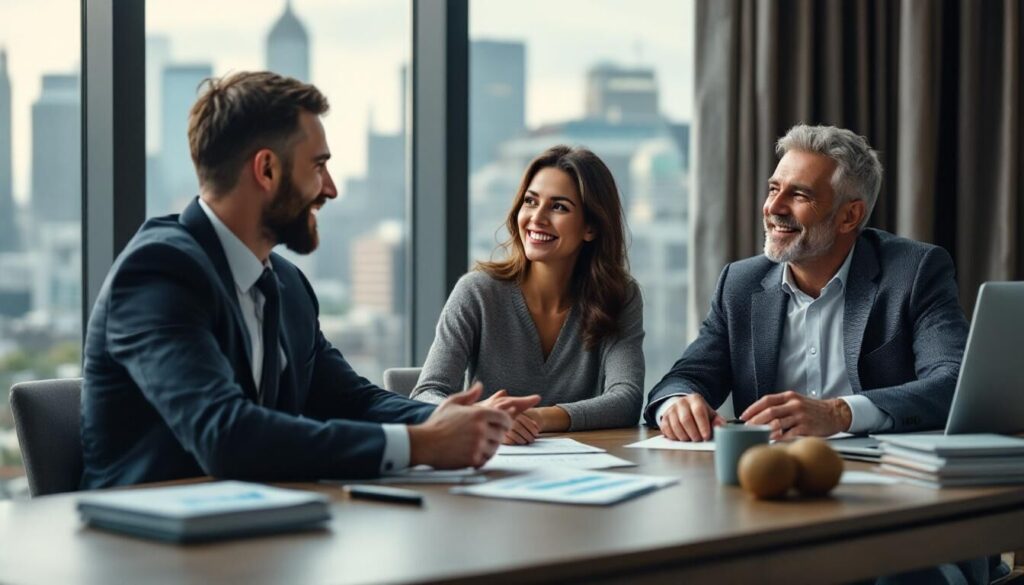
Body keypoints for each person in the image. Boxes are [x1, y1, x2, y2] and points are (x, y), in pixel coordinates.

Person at [79, 71, 538, 490]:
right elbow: (226, 434)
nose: (331, 188)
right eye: (318, 165)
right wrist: (421, 444)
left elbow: (350, 400)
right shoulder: (159, 272)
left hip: (257, 532)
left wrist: (455, 419)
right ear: (267, 169)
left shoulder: (286, 284)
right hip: (145, 553)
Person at [646, 124, 969, 442]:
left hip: (884, 473)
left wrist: (839, 413)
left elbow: (953, 381)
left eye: (799, 194)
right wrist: (677, 405)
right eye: (774, 189)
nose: (773, 207)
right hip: (769, 474)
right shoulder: (741, 283)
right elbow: (686, 378)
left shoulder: (912, 272)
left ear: (849, 217)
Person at [410, 145, 644, 444]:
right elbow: (425, 394)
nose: (537, 218)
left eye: (559, 207)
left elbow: (626, 399)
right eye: (530, 201)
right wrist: (480, 415)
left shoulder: (619, 296)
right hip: (492, 468)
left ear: (591, 227)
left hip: (584, 472)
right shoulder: (477, 293)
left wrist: (535, 418)